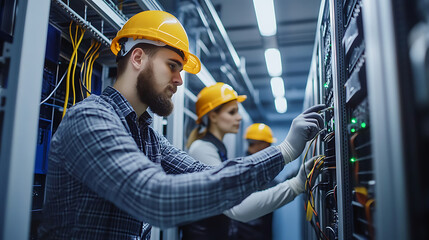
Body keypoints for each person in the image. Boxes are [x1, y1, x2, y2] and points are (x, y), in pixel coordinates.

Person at [38, 10, 325, 239]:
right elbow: (156, 198)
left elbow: (210, 176)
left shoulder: (149, 137)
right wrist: (285, 150)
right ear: (137, 57)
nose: (179, 80)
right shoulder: (90, 119)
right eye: (172, 65)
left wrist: (292, 176)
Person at [180, 84, 323, 240]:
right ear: (213, 116)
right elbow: (237, 207)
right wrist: (295, 185)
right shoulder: (202, 148)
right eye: (232, 112)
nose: (239, 117)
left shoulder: (216, 150)